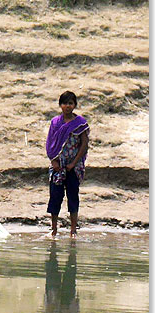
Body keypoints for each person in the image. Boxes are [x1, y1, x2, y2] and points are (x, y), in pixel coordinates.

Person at [46, 91, 90, 238]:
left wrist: (74, 162)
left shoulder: (80, 123)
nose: (67, 106)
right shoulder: (55, 122)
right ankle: (53, 229)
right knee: (55, 197)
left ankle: (73, 230)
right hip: (57, 165)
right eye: (64, 103)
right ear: (60, 105)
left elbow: (84, 144)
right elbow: (50, 143)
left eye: (70, 103)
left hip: (74, 166)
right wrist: (54, 160)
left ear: (75, 105)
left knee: (73, 196)